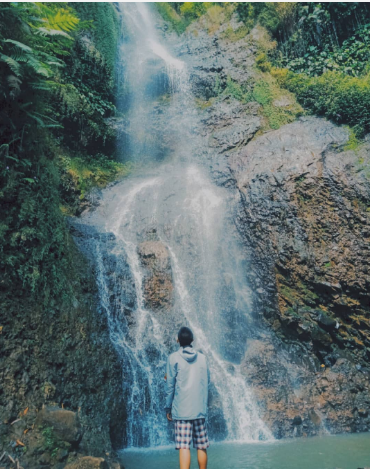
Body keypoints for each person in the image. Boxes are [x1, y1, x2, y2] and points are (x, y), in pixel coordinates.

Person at [165, 326, 210, 470]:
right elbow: (206, 381)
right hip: (199, 408)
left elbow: (170, 386)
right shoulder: (202, 358)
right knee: (201, 445)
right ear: (193, 340)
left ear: (178, 340)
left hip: (182, 409)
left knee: (184, 446)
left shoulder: (173, 358)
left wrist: (168, 407)